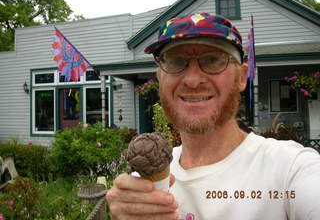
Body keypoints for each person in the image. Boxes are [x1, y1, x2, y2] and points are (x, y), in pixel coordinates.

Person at [106, 13, 320, 220]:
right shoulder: (146, 179)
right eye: (176, 61)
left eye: (213, 60)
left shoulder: (290, 169)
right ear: (160, 76)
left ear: (242, 77)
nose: (192, 80)